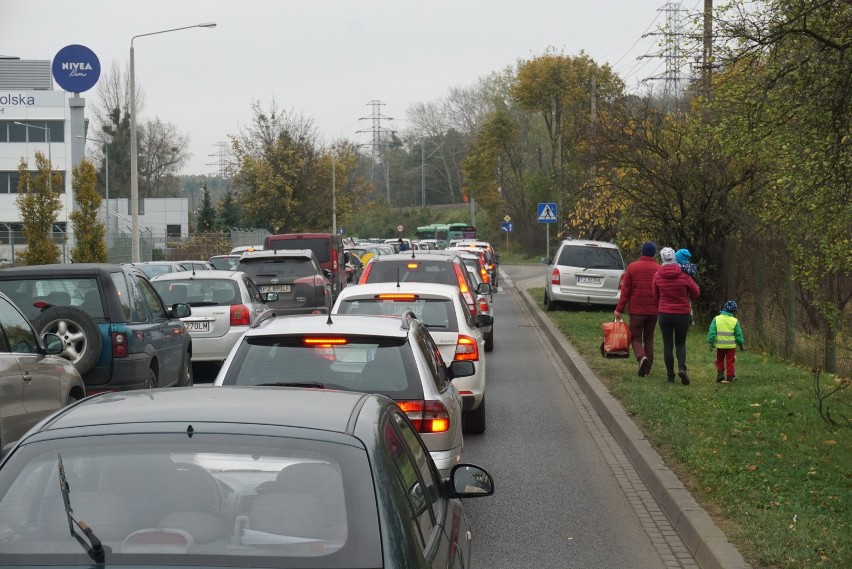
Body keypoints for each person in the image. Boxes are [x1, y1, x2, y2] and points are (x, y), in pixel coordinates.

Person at [652, 247, 700, 385]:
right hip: (682, 315)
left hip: (664, 314)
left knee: (667, 345)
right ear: (674, 257)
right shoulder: (684, 275)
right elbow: (696, 292)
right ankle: (682, 368)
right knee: (680, 343)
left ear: (662, 258)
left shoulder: (657, 276)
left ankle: (670, 377)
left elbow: (655, 295)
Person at [614, 241, 660, 377]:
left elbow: (625, 291)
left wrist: (619, 309)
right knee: (649, 338)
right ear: (654, 253)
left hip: (636, 311)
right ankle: (647, 370)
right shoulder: (659, 268)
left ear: (642, 252)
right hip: (653, 311)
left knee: (635, 337)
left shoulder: (632, 267)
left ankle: (641, 357)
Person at [707, 300, 745, 383]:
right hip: (731, 346)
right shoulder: (734, 321)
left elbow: (712, 331)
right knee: (730, 361)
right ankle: (730, 376)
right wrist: (740, 343)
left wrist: (710, 341)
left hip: (720, 345)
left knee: (719, 359)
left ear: (724, 308)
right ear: (734, 311)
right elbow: (738, 334)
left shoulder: (716, 319)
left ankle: (720, 374)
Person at [675, 248, 698, 324]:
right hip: (685, 301)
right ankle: (690, 318)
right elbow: (695, 291)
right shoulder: (689, 269)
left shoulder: (677, 269)